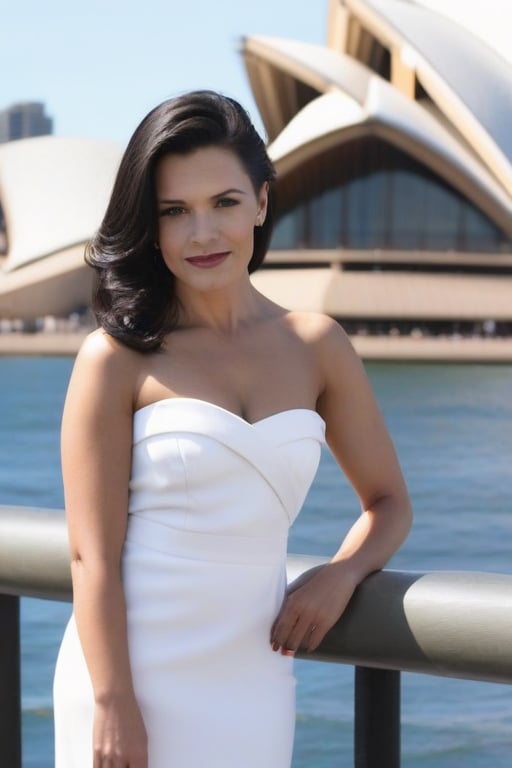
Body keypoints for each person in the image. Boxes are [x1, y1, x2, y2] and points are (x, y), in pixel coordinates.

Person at [53, 89, 412, 768]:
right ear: (150, 226)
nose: (203, 234)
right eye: (174, 212)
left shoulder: (318, 345)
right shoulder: (116, 357)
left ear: (262, 203)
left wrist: (342, 573)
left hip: (256, 676)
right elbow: (90, 558)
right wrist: (111, 701)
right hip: (129, 680)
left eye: (224, 202)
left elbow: (390, 503)